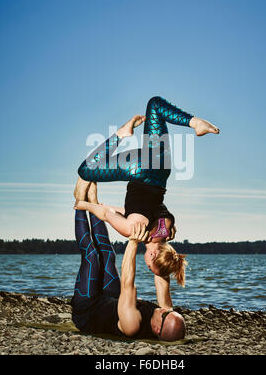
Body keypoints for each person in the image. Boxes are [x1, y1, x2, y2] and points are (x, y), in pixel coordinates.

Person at [74, 96, 220, 283]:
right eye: (150, 267)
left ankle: (196, 123)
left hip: (161, 169)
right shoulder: (131, 230)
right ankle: (121, 134)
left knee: (155, 105)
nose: (147, 267)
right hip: (140, 170)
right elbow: (104, 214)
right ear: (152, 257)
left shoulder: (166, 229)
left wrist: (112, 208)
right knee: (86, 170)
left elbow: (137, 209)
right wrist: (84, 205)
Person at [71, 195, 186, 341]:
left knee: (92, 257)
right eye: (170, 311)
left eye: (165, 314)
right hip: (111, 299)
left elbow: (127, 284)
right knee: (108, 255)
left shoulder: (132, 325)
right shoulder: (164, 314)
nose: (165, 309)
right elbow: (161, 275)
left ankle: (79, 202)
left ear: (157, 328)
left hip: (87, 309)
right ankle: (93, 201)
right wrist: (161, 240)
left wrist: (133, 241)